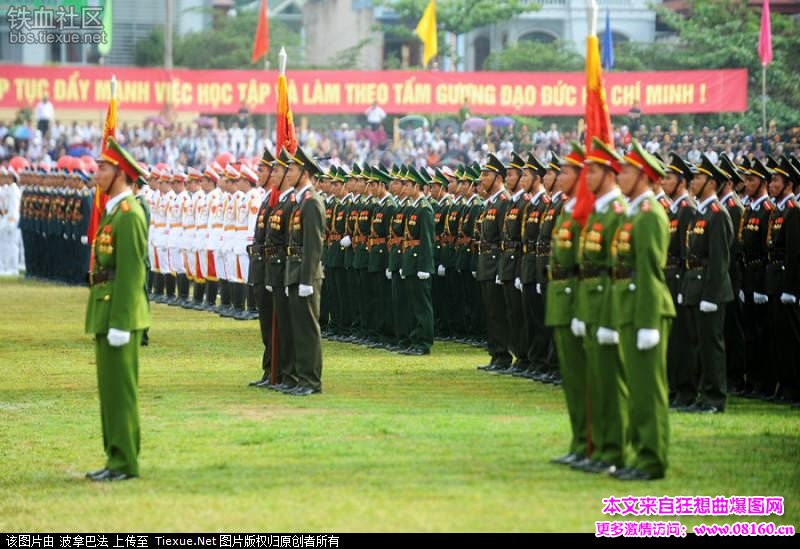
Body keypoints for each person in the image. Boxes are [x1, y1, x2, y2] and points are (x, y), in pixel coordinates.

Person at [84, 137, 150, 482]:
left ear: (121, 174)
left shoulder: (129, 215)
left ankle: (125, 462)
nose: (97, 173)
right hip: (105, 310)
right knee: (109, 392)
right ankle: (115, 457)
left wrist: (122, 321)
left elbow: (131, 272)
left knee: (120, 391)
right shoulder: (113, 211)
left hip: (119, 314)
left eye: (104, 168)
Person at [611, 140, 674, 481]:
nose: (620, 176)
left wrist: (649, 321)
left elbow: (649, 270)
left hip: (645, 308)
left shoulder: (649, 215)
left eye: (628, 171)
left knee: (649, 388)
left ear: (644, 176)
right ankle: (639, 453)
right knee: (636, 386)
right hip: (630, 306)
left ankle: (652, 458)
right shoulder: (634, 212)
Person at [572, 137, 628, 475]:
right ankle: (598, 448)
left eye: (591, 171)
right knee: (596, 382)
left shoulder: (618, 212)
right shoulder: (598, 210)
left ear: (609, 172)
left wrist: (609, 315)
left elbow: (618, 269)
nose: (586, 178)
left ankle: (615, 450)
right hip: (590, 302)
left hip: (610, 305)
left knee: (612, 382)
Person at [680, 154, 734, 413]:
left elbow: (719, 259)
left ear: (712, 182)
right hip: (695, 286)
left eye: (699, 177)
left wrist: (711, 296)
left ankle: (715, 398)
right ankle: (704, 396)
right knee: (699, 345)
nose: (693, 181)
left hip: (710, 290)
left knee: (712, 346)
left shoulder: (717, 214)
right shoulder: (699, 212)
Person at [284, 147, 325, 394]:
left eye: (293, 169)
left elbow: (313, 244)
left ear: (305, 173)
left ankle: (311, 381)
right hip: (295, 272)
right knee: (298, 330)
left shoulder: (311, 203)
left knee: (308, 330)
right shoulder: (299, 202)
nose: (288, 173)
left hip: (306, 275)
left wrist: (307, 279)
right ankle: (302, 379)